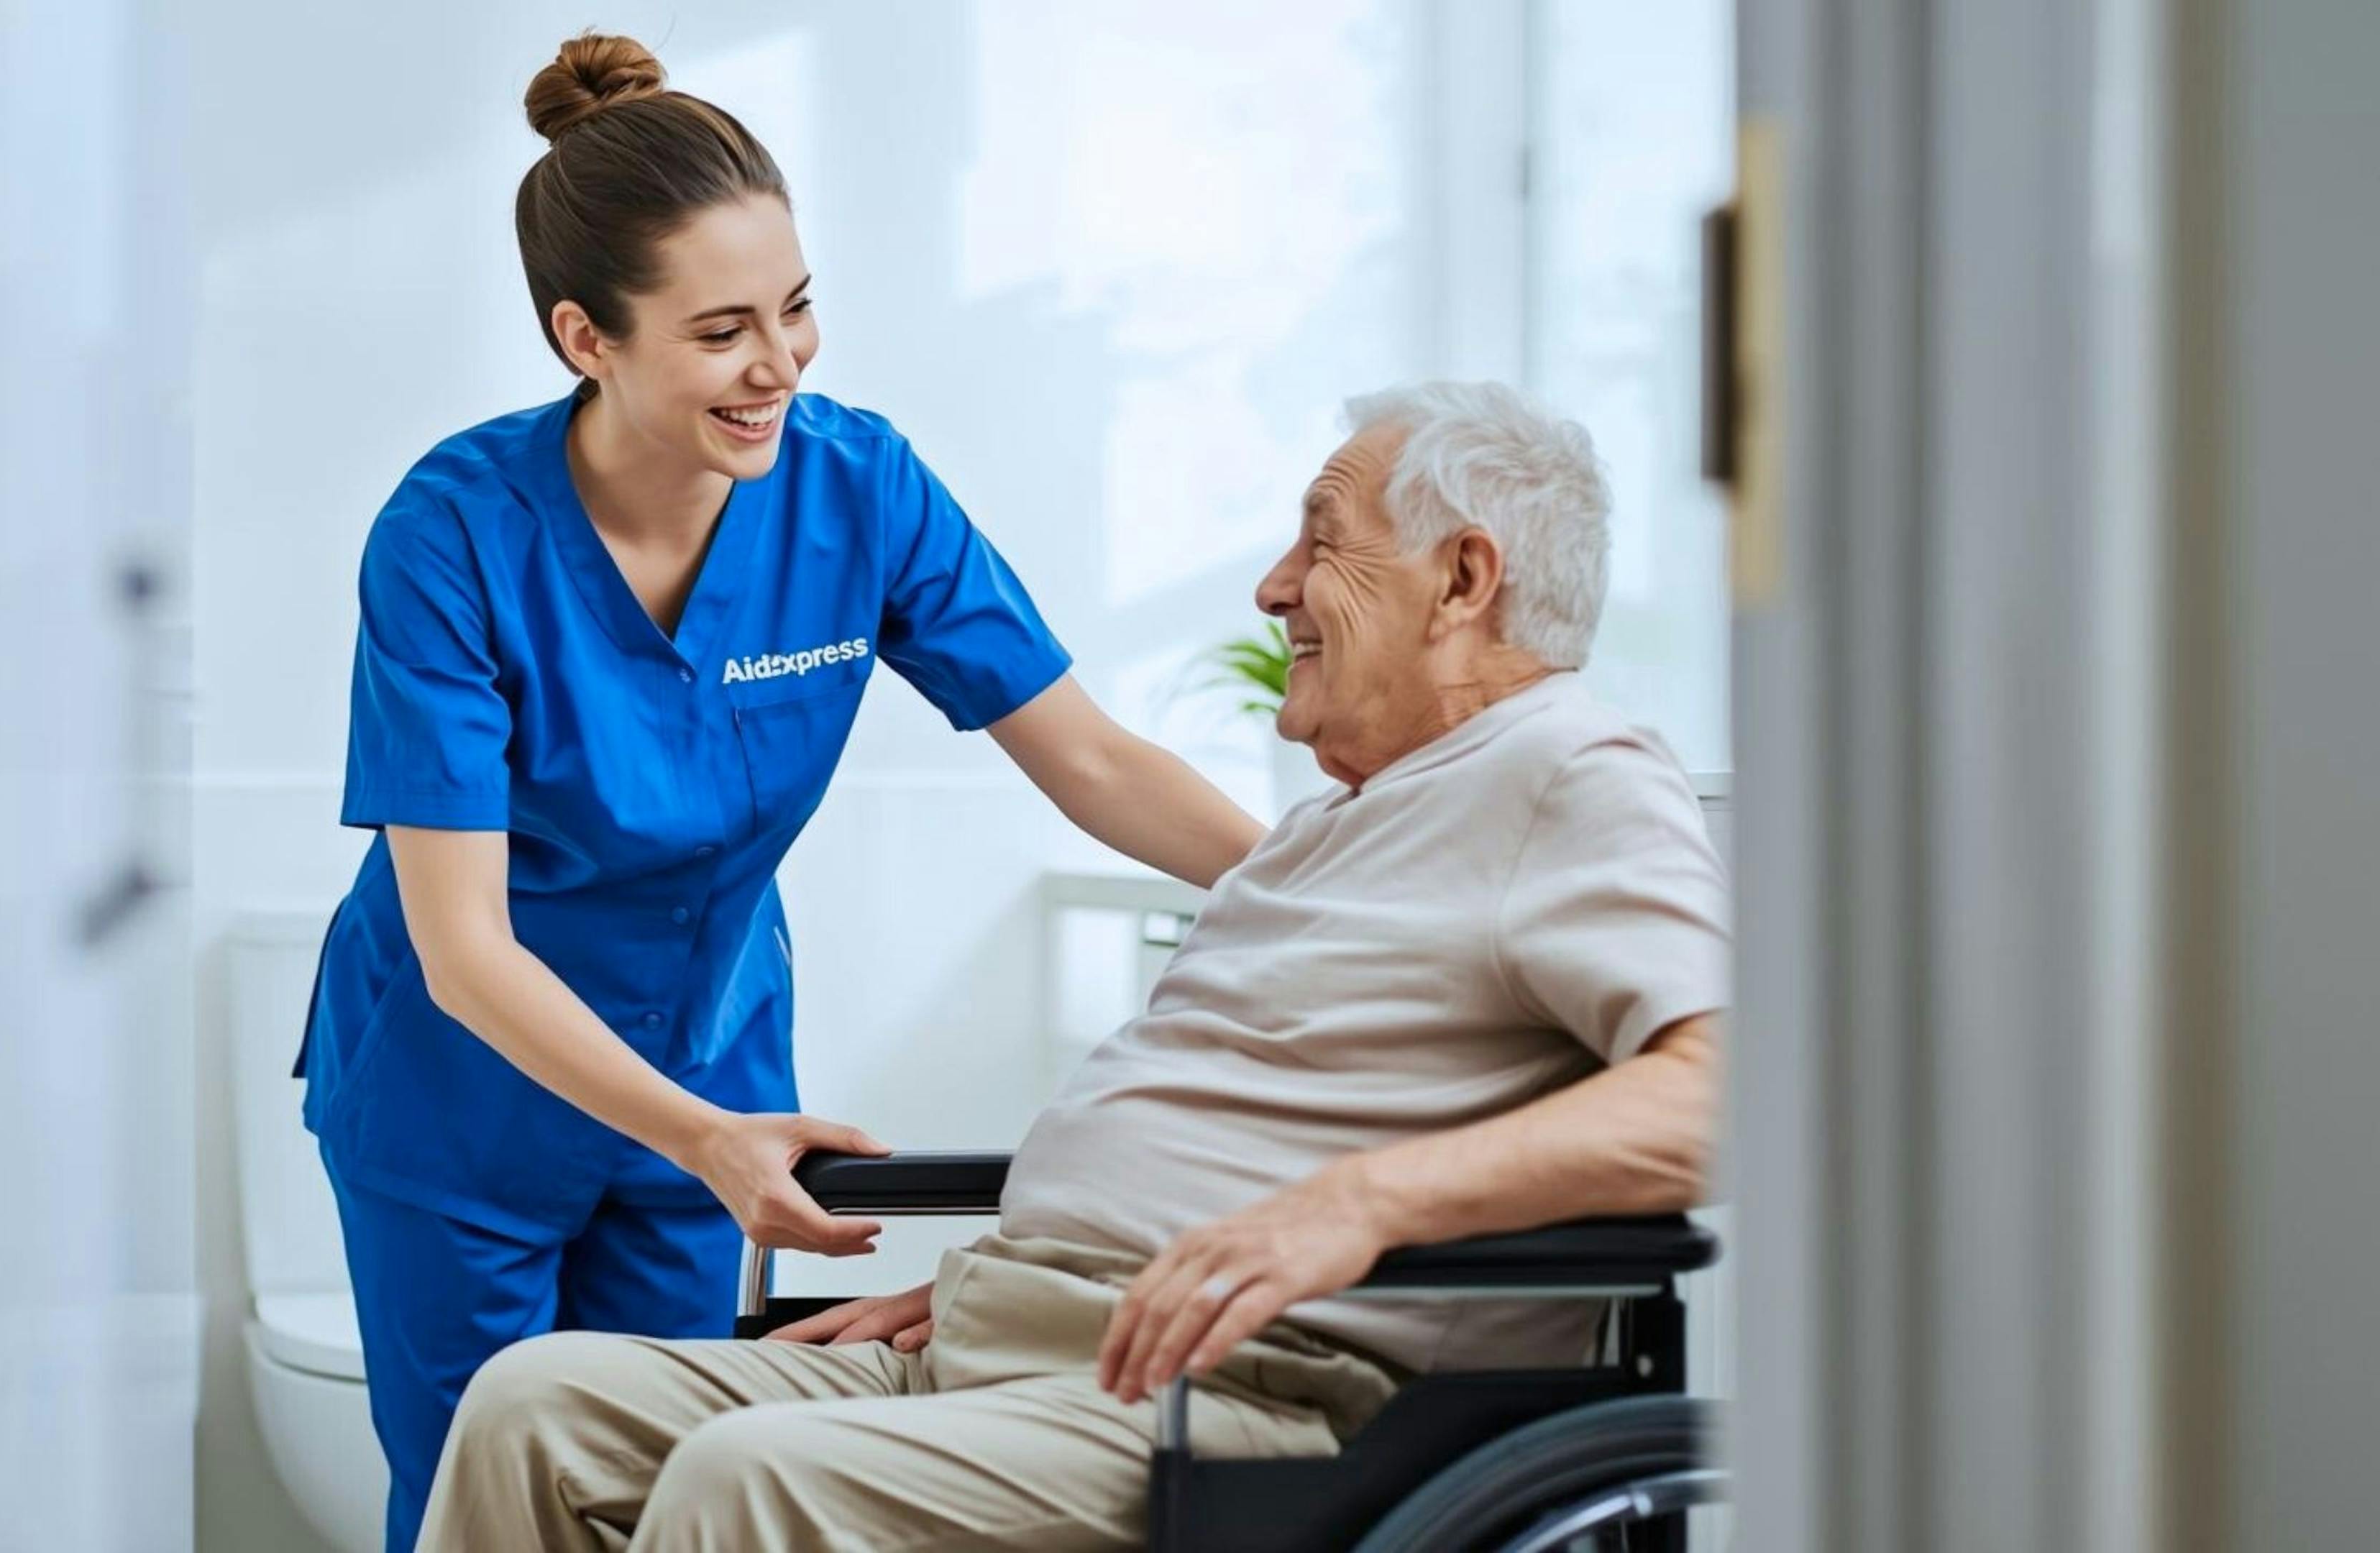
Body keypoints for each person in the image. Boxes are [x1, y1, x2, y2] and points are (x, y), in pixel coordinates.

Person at [412, 380, 1730, 1552]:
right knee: (534, 1409)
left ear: (1463, 579)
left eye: (1321, 544)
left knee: (753, 1485)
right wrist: (1010, 1277)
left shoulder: (1567, 774)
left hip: (1242, 1396)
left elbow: (1719, 1094)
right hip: (1024, 1341)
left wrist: (1362, 1205)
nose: (1272, 588)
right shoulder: (1348, 821)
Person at [296, 32, 1266, 1553]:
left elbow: (1091, 759)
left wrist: (1332, 892)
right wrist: (704, 1137)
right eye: (723, 331)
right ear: (585, 338)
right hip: (461, 1096)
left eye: (800, 309)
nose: (782, 367)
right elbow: (464, 948)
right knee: (484, 1495)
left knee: (675, 1490)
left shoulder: (858, 487)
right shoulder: (454, 533)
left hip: (716, 1071)